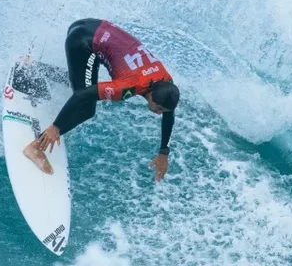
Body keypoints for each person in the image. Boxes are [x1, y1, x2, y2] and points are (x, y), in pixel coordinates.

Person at [23, 18, 180, 182]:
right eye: (158, 109)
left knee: (82, 81)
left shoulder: (165, 82)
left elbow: (169, 112)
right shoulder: (127, 88)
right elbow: (81, 95)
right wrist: (56, 127)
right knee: (87, 108)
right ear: (150, 95)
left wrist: (164, 152)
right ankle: (35, 147)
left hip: (93, 27)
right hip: (82, 41)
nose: (159, 113)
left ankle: (33, 67)